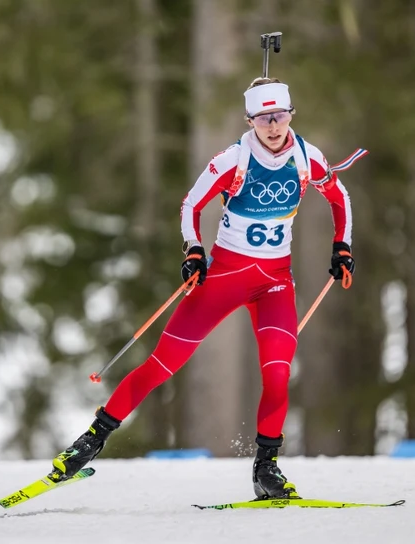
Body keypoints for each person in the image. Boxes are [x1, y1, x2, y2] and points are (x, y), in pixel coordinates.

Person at [48, 77, 357, 499]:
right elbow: (191, 204)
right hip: (223, 279)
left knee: (279, 374)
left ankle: (266, 470)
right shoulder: (234, 158)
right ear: (249, 120)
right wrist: (194, 250)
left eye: (280, 116)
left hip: (275, 285)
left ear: (290, 115)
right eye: (263, 118)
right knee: (162, 365)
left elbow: (339, 197)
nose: (273, 126)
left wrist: (342, 246)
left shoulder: (307, 156)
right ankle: (91, 441)